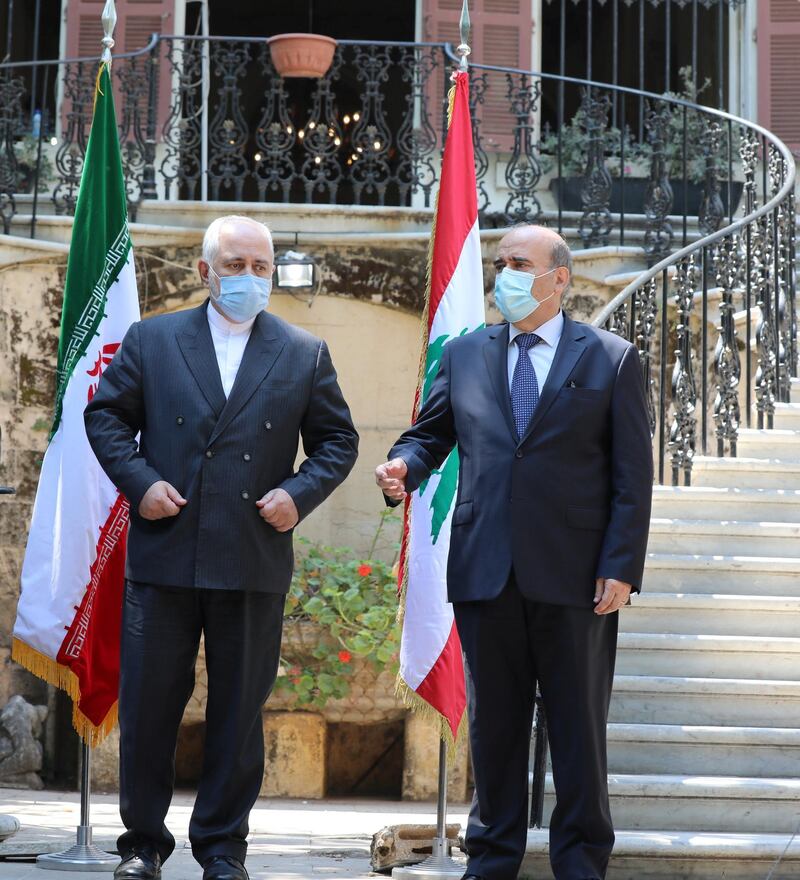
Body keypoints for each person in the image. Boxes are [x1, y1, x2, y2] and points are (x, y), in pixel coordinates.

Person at [85, 215, 358, 880]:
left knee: (239, 713)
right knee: (150, 708)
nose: (249, 278)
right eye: (235, 265)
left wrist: (299, 494)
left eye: (261, 267)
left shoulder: (303, 351)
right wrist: (141, 484)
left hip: (252, 554)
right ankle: (143, 845)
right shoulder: (153, 340)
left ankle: (223, 849)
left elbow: (337, 442)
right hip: (167, 551)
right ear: (205, 271)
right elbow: (106, 417)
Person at [375, 225, 652, 880]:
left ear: (560, 278)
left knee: (577, 731)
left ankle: (581, 861)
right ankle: (492, 858)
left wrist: (621, 565)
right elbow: (429, 435)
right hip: (486, 572)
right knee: (495, 732)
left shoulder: (610, 358)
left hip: (577, 576)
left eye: (520, 264)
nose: (506, 274)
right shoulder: (468, 354)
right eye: (500, 263)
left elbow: (630, 477)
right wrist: (402, 469)